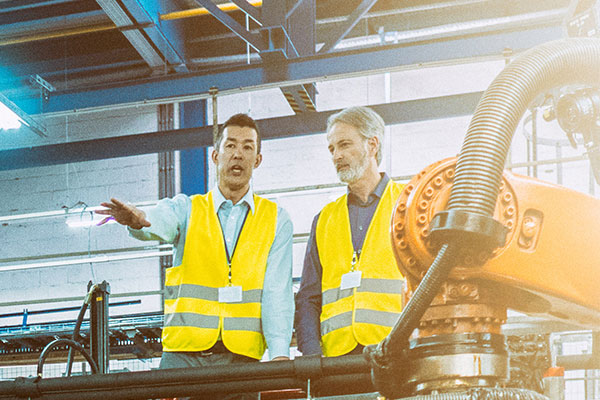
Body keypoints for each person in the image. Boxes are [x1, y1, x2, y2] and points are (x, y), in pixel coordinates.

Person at [97, 113, 294, 376]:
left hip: (241, 361)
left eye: (248, 147)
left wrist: (280, 352)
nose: (238, 154)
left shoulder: (276, 219)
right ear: (215, 156)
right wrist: (138, 220)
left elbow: (277, 291)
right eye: (230, 145)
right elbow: (159, 221)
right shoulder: (186, 209)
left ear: (257, 160)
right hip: (182, 359)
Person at [295, 106, 405, 358]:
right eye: (332, 149)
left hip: (396, 353)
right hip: (337, 363)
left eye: (344, 145)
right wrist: (312, 354)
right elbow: (308, 298)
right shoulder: (324, 219)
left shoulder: (407, 204)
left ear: (372, 145)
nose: (336, 156)